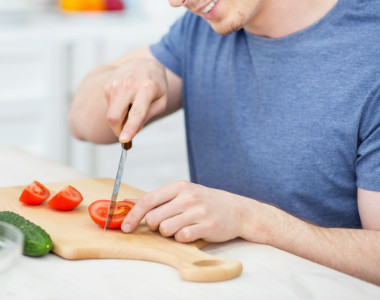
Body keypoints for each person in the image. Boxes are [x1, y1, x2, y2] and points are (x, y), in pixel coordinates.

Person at [68, 0, 380, 285]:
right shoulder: (204, 25)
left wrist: (254, 221)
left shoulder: (370, 51)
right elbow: (83, 124)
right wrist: (131, 73)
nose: (176, 2)